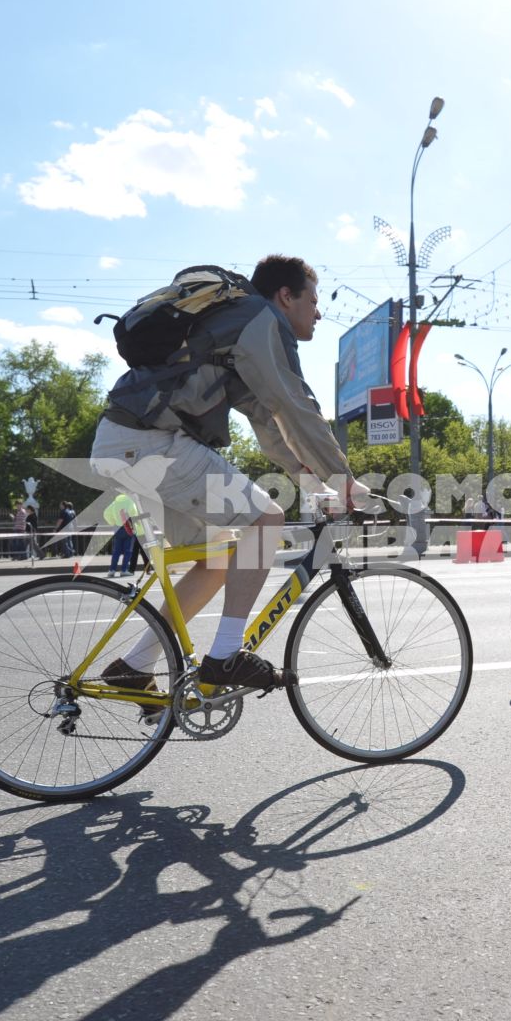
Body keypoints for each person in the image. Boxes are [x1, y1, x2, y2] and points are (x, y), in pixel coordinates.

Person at [88, 254, 361, 697]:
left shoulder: (239, 327)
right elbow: (292, 403)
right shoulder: (259, 319)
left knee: (215, 559)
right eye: (313, 300)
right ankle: (225, 657)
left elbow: (270, 421)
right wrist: (344, 479)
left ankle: (133, 666)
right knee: (266, 520)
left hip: (125, 442)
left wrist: (312, 480)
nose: (319, 311)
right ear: (285, 296)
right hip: (152, 444)